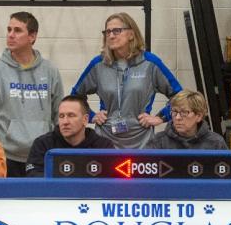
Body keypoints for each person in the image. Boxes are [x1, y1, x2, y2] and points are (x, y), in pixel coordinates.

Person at [72, 13, 182, 149]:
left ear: (131, 34)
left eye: (116, 31)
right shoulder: (98, 64)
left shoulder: (150, 63)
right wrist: (91, 116)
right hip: (105, 140)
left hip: (142, 141)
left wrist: (161, 117)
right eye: (107, 32)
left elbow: (180, 97)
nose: (111, 36)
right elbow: (75, 97)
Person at [0, 12, 64, 175]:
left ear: (32, 36)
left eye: (17, 30)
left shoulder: (50, 71)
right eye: (9, 30)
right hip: (6, 156)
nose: (10, 35)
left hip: (42, 155)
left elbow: (58, 113)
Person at [25, 94, 116, 177]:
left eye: (71, 115)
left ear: (85, 120)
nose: (65, 122)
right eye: (61, 116)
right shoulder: (42, 145)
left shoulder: (103, 147)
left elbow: (112, 181)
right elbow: (34, 176)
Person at [146, 89, 228, 150]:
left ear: (198, 116)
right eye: (174, 112)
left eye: (184, 112)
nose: (177, 117)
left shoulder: (216, 143)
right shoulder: (158, 142)